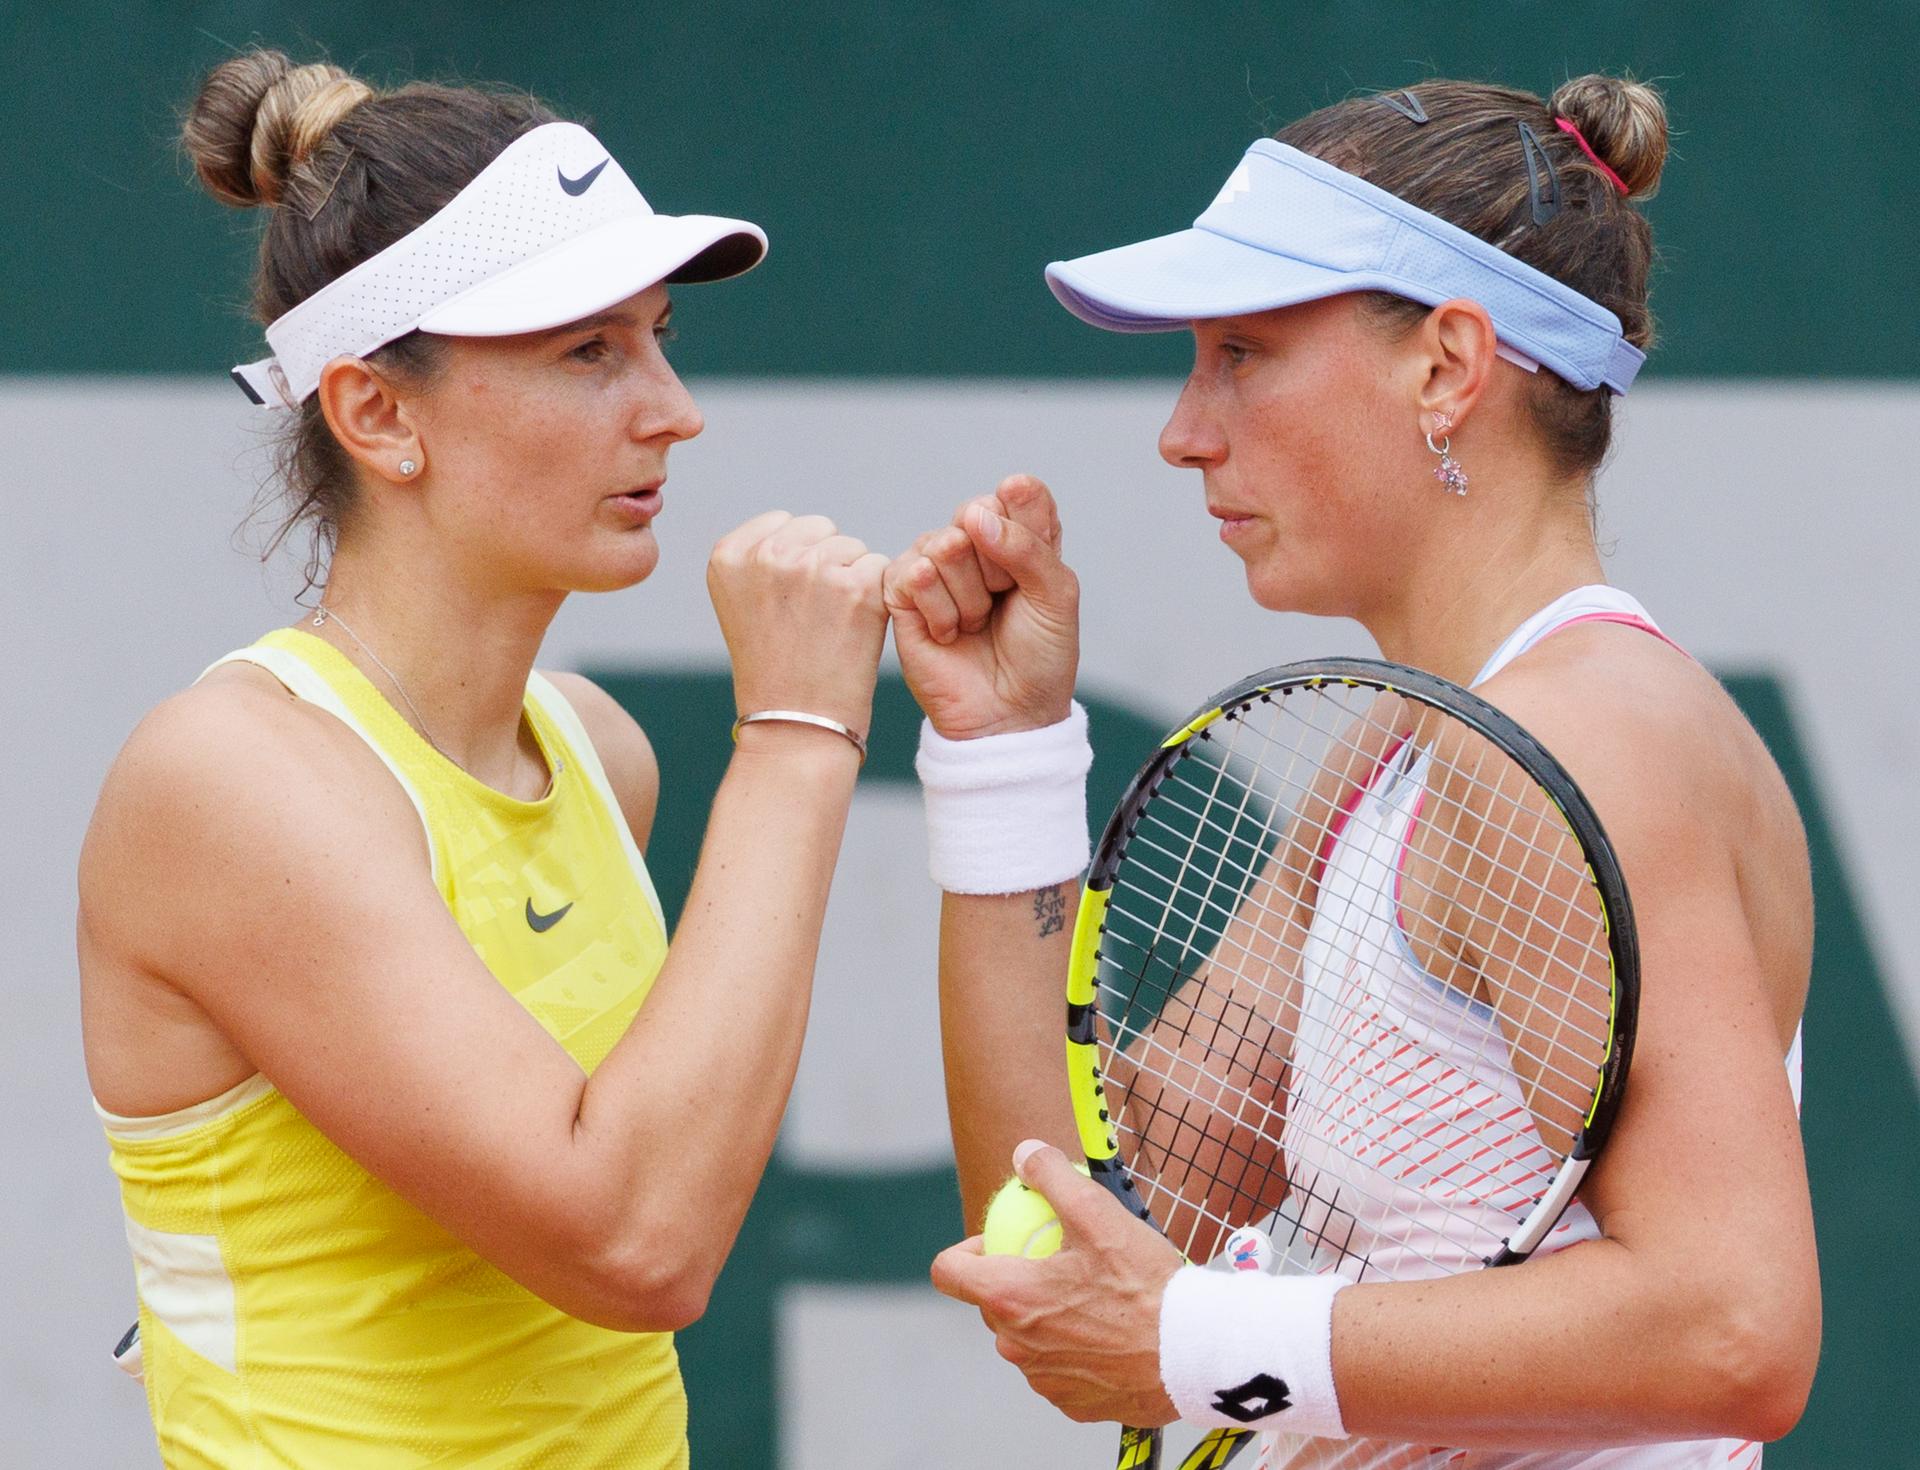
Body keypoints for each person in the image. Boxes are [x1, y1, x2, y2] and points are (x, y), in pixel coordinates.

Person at [886, 75, 1820, 1464]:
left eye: (1243, 354)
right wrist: (1003, 757)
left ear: (1447, 367)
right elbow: (1090, 1236)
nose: (1184, 428)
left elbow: (1735, 1325)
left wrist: (1205, 1340)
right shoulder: (1405, 743)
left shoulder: (1584, 740)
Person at [78, 51, 888, 1468]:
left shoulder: (601, 753)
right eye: (586, 353)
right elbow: (637, 1243)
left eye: (658, 337)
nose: (670, 410)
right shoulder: (232, 780)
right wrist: (800, 740)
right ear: (377, 413)